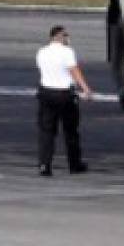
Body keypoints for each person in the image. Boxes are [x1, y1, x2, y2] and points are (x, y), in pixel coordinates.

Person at [35, 25, 92, 177]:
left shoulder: (42, 52)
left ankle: (44, 165)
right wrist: (85, 88)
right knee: (71, 130)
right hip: (64, 94)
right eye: (66, 35)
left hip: (46, 93)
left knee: (46, 131)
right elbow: (74, 70)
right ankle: (74, 164)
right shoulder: (67, 52)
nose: (68, 39)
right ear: (60, 36)